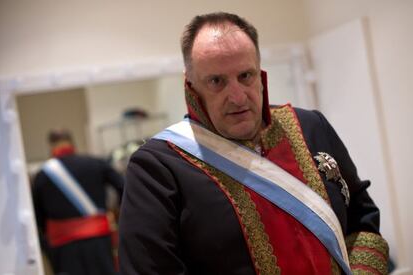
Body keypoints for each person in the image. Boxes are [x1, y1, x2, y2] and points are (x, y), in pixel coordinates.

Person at [119, 12, 389, 275]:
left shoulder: (311, 126)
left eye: (245, 76)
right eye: (216, 81)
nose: (237, 96)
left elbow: (362, 220)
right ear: (191, 87)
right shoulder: (157, 167)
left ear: (261, 76)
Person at [32, 128, 124, 275]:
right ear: (72, 142)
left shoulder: (42, 175)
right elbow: (123, 186)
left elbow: (38, 218)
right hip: (99, 241)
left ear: (50, 145)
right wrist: (121, 221)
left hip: (64, 248)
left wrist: (47, 247)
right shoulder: (95, 163)